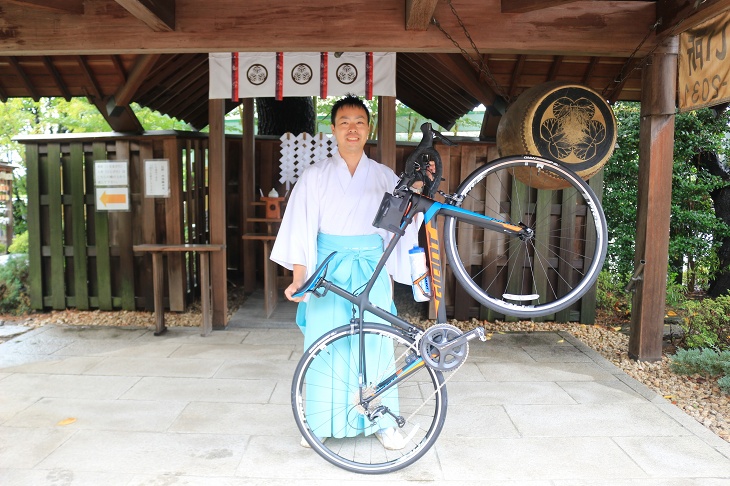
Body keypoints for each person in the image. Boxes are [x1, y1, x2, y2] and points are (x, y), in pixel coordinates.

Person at [270, 94, 420, 450]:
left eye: (359, 122)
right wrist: (299, 276)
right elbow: (301, 227)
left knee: (376, 343)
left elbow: (402, 222)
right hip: (328, 271)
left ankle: (382, 422)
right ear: (333, 130)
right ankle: (320, 422)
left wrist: (415, 192)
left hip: (371, 268)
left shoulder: (385, 176)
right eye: (344, 122)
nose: (352, 129)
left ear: (368, 129)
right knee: (325, 344)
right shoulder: (315, 176)